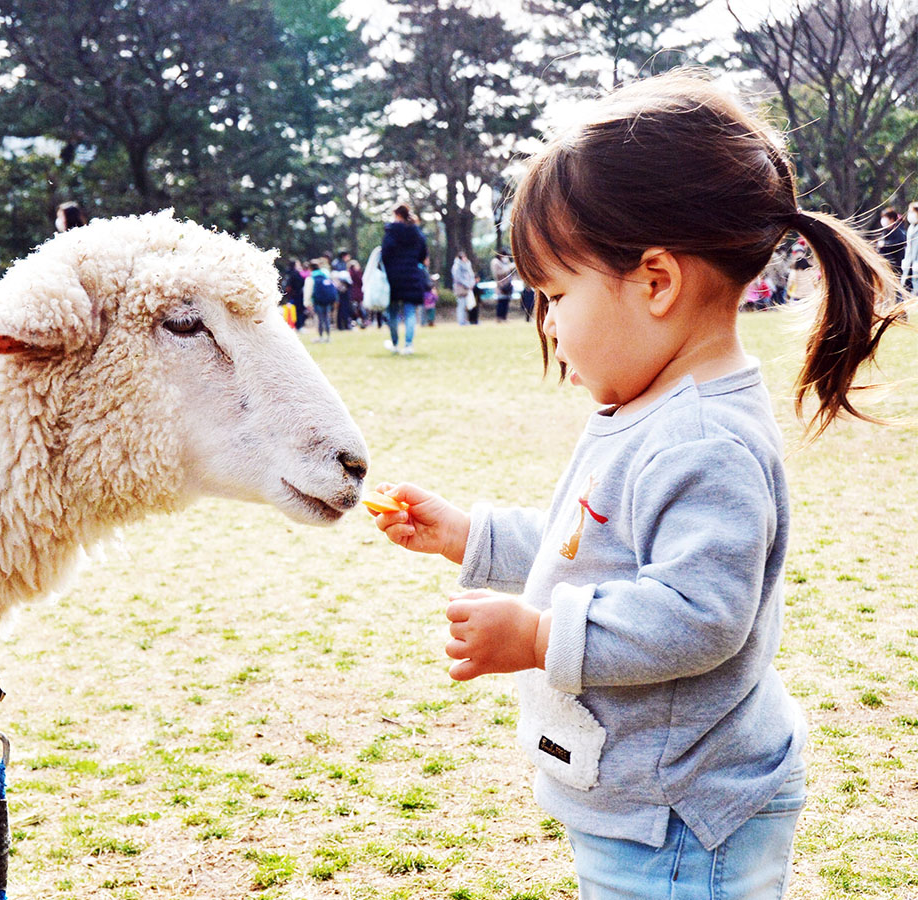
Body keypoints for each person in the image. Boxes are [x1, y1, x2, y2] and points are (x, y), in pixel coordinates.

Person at [366, 73, 905, 900]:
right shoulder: (648, 408)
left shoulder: (704, 440)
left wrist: (541, 639)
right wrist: (469, 536)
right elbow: (589, 545)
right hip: (647, 804)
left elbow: (699, 614)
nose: (545, 324)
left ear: (655, 282)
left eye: (555, 295)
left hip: (687, 821)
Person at [380, 204, 428, 354]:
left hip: (393, 276)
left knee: (393, 312)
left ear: (397, 215)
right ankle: (408, 345)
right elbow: (423, 255)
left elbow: (385, 253)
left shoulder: (391, 232)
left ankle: (395, 344)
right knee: (410, 312)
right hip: (412, 275)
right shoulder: (416, 232)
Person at [303, 255, 337, 343]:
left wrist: (307, 303)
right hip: (327, 301)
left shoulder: (311, 278)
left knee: (319, 319)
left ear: (310, 268)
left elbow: (308, 292)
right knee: (327, 318)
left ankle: (321, 337)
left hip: (317, 301)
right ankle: (328, 337)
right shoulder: (325, 276)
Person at [875, 206, 906, 275]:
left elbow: (898, 243)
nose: (883, 220)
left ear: (892, 219)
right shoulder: (885, 231)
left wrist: (884, 244)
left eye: (885, 218)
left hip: (894, 265)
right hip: (884, 265)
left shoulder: (898, 231)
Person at [451, 250, 476, 325]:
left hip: (467, 288)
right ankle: (461, 321)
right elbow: (457, 277)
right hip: (460, 288)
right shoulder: (456, 266)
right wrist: (467, 284)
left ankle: (465, 320)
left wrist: (471, 283)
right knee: (461, 305)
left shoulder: (467, 265)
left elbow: (471, 275)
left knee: (466, 305)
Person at [491, 251, 516, 321]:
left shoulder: (505, 262)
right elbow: (499, 273)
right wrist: (509, 267)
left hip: (507, 286)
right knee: (501, 302)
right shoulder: (495, 262)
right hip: (501, 286)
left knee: (506, 302)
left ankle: (504, 317)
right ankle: (499, 317)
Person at [900, 202, 918, 292]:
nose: (910, 214)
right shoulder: (911, 228)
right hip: (910, 263)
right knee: (906, 287)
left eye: (912, 212)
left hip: (916, 263)